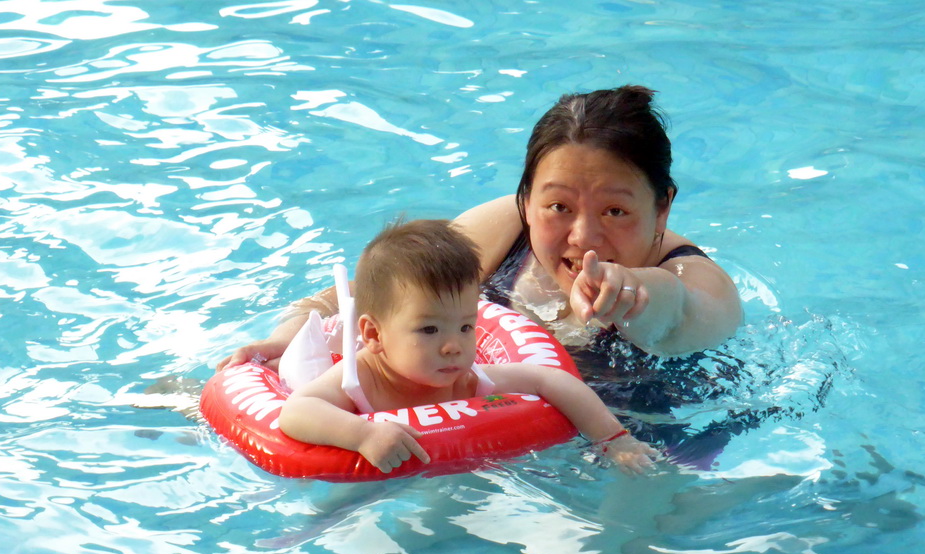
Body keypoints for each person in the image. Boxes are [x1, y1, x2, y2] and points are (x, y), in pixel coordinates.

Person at [219, 85, 741, 374]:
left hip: (646, 445)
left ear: (663, 209)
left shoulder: (697, 280)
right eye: (557, 206)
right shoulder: (502, 234)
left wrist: (635, 294)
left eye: (615, 212)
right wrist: (288, 338)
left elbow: (680, 311)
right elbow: (374, 296)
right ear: (525, 200)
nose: (583, 236)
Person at [278, 219, 656, 475]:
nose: (453, 347)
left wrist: (613, 438)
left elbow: (551, 380)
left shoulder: (467, 380)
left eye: (464, 327)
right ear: (374, 336)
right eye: (428, 330)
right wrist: (363, 435)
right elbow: (297, 412)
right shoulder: (360, 379)